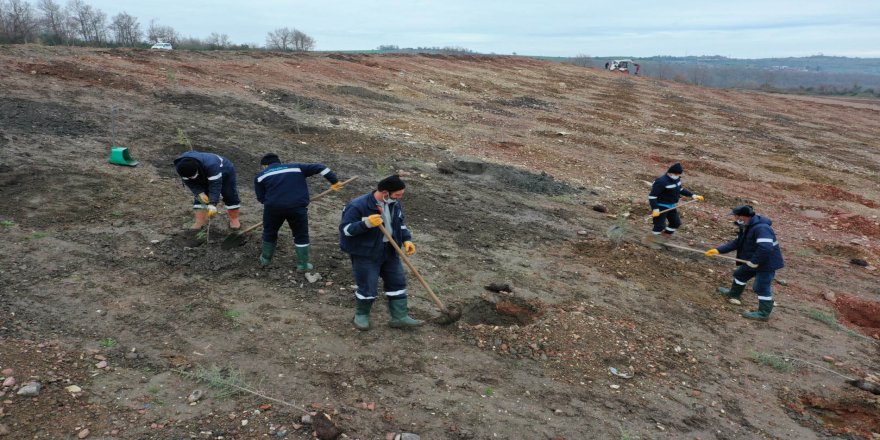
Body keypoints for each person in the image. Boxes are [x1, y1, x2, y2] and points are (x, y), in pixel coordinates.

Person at [339, 175, 423, 331]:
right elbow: (346, 230)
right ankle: (361, 316)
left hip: (390, 250)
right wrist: (366, 223)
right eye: (398, 194)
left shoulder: (394, 204)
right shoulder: (358, 205)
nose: (400, 198)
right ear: (385, 192)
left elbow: (400, 224)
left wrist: (407, 240)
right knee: (368, 285)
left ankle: (399, 317)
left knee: (397, 281)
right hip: (366, 252)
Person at [254, 153, 341, 271]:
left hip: (273, 209)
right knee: (301, 235)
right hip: (297, 208)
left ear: (264, 166)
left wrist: (275, 203)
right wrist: (334, 181)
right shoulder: (296, 167)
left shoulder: (260, 176)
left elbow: (261, 198)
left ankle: (265, 259)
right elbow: (321, 167)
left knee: (270, 232)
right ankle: (302, 265)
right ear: (279, 162)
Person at [705, 205, 785, 321]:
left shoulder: (761, 228)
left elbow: (765, 248)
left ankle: (763, 313)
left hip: (766, 263)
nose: (734, 218)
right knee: (740, 274)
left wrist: (753, 262)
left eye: (735, 216)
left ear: (742, 216)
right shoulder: (746, 226)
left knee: (761, 287)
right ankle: (733, 294)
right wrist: (718, 250)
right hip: (753, 260)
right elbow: (737, 243)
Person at [173, 151, 241, 231]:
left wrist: (212, 203)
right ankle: (200, 222)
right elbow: (190, 183)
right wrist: (200, 193)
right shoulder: (181, 168)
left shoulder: (211, 164)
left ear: (197, 168)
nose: (192, 178)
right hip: (202, 173)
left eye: (193, 175)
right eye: (190, 177)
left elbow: (215, 185)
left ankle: (234, 220)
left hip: (225, 171)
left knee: (229, 194)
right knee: (200, 198)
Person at [647, 162, 704, 242]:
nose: (677, 176)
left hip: (671, 205)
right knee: (659, 226)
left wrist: (693, 195)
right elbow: (652, 196)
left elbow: (680, 189)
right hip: (661, 205)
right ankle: (650, 241)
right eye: (676, 174)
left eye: (678, 175)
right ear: (670, 173)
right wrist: (655, 209)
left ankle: (663, 238)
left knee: (675, 223)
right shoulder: (661, 182)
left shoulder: (676, 179)